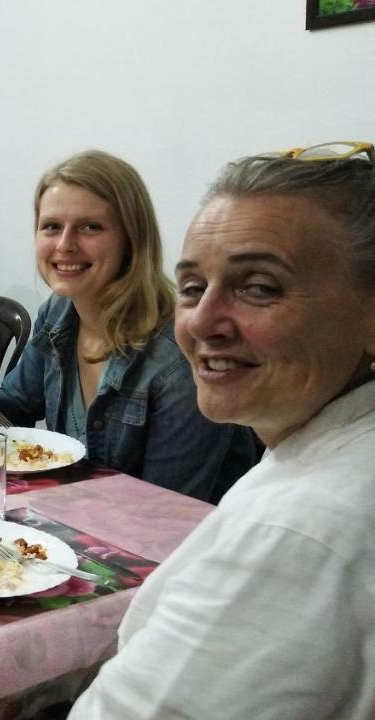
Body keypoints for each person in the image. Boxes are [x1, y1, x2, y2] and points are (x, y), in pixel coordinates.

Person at [70, 144, 375, 718]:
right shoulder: (316, 454)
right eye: (191, 287)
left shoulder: (296, 532)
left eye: (260, 287)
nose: (202, 322)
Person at [0, 150, 255, 501]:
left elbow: (166, 514)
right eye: (51, 227)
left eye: (90, 227)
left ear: (131, 240)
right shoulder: (58, 312)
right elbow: (12, 416)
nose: (65, 245)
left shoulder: (178, 357)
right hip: (77, 517)